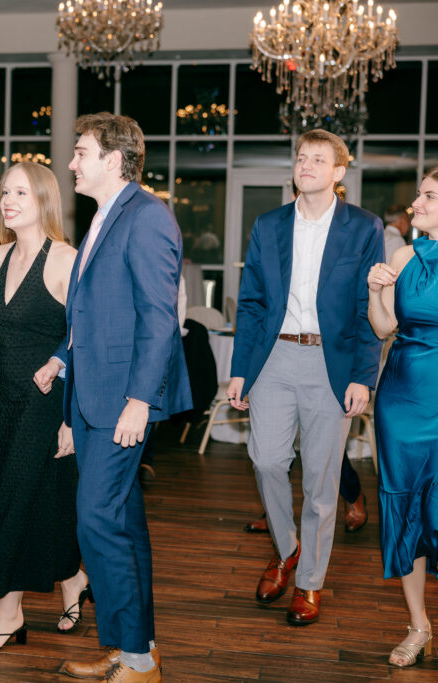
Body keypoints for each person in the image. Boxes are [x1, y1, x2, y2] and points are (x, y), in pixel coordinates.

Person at [44, 112, 191, 681]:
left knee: (95, 521)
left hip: (122, 400)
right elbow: (91, 313)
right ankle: (136, 647)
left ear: (113, 159)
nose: (71, 164)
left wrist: (140, 400)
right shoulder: (104, 216)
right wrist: (62, 360)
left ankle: (136, 661)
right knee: (123, 525)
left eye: (81, 153)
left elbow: (159, 318)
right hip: (92, 398)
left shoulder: (147, 216)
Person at [226, 129, 383, 628]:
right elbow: (251, 302)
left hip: (331, 364)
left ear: (339, 172)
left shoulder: (364, 227)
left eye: (318, 159)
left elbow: (368, 307)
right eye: (301, 157)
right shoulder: (269, 224)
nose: (306, 165)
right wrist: (240, 369)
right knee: (266, 460)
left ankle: (310, 581)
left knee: (320, 480)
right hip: (273, 357)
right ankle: (287, 548)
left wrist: (363, 376)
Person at [0, 162, 89, 655]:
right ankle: (72, 578)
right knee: (37, 500)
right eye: (6, 193)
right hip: (4, 396)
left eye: (20, 193)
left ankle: (7, 611)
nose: (8, 202)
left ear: (44, 200)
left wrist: (70, 418)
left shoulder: (67, 261)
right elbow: (0, 340)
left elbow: (83, 342)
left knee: (13, 502)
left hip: (47, 401)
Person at [368, 167, 438, 668]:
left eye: (429, 196)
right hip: (403, 397)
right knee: (407, 507)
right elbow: (383, 328)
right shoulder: (403, 257)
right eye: (418, 194)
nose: (416, 203)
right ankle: (418, 626)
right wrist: (375, 291)